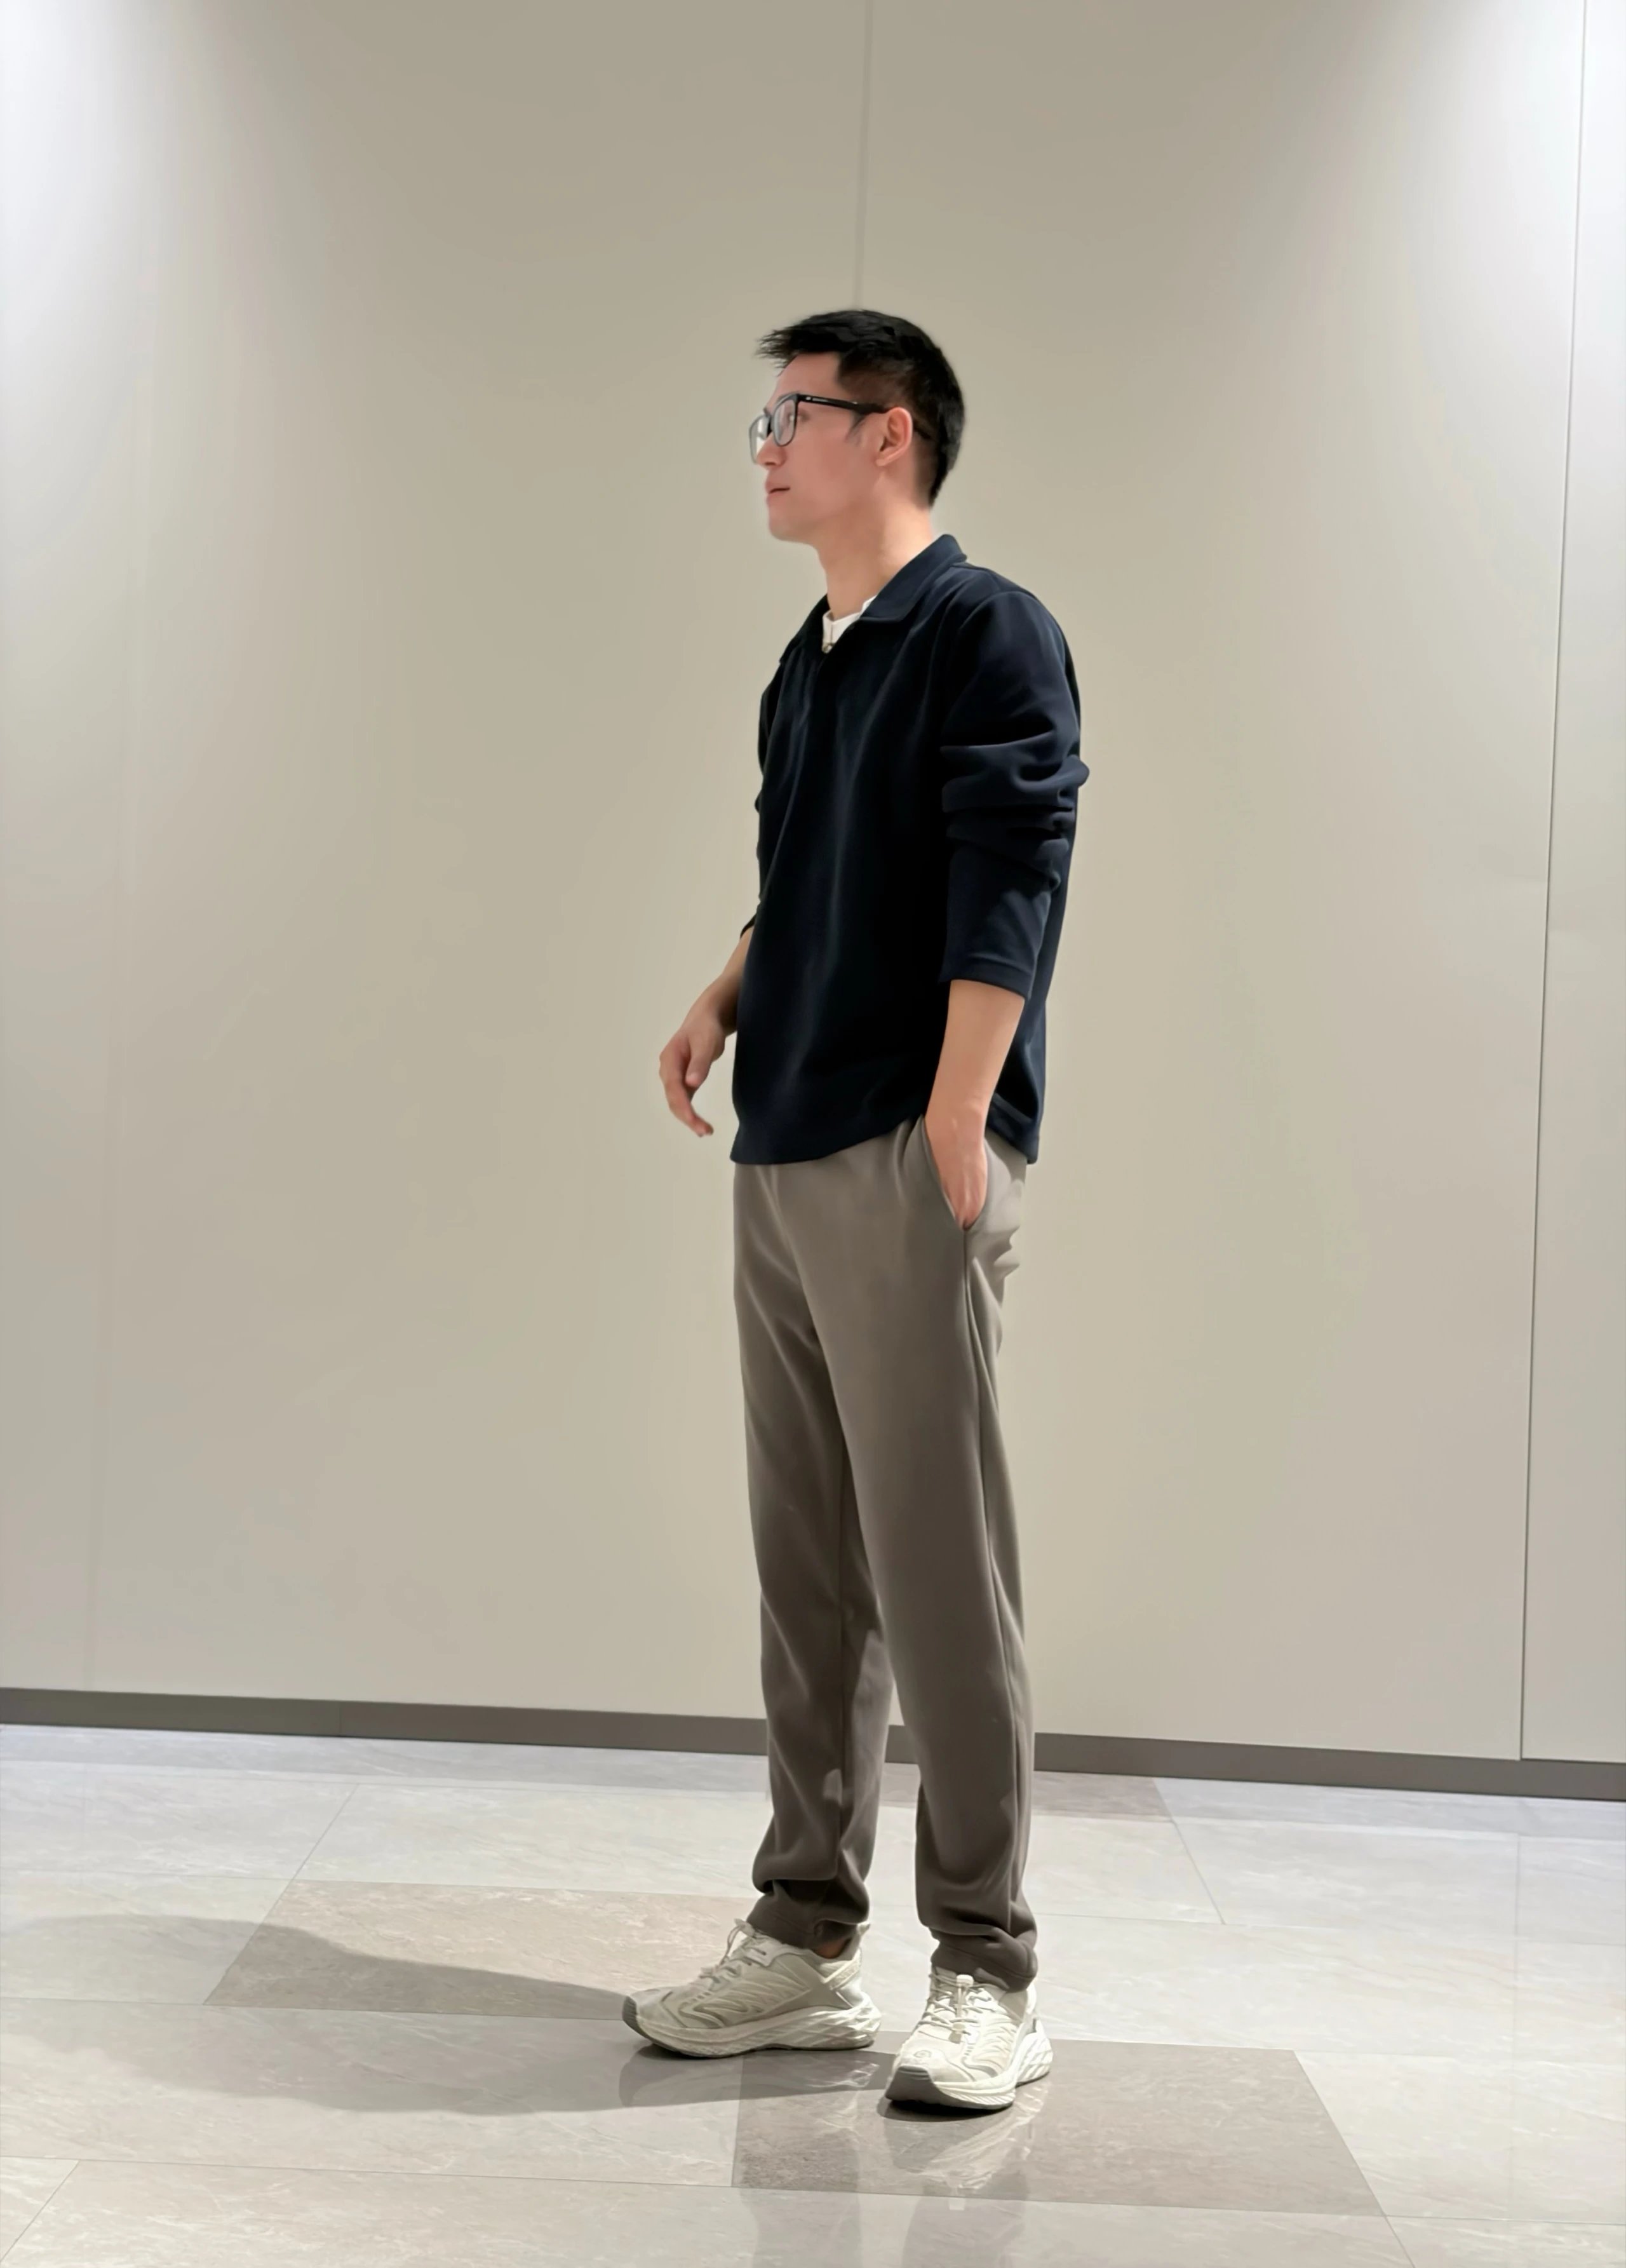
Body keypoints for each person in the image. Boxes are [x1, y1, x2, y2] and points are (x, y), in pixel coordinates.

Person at [633, 309, 1087, 2113]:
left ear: (889, 432)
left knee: (939, 1572)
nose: (765, 446)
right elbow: (803, 871)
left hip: (911, 1146)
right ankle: (806, 1939)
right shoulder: (808, 659)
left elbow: (1014, 865)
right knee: (811, 1574)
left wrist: (961, 1109)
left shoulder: (985, 629)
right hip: (785, 1141)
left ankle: (987, 1967)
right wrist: (725, 992)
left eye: (792, 415)